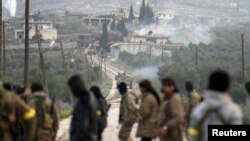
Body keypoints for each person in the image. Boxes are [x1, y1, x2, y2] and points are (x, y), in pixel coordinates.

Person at [188, 70, 242, 141]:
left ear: (209, 85)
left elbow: (192, 136)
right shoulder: (233, 111)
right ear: (227, 87)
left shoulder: (197, 111)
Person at [68, 75, 98, 141]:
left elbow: (82, 127)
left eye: (72, 88)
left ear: (76, 88)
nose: (72, 91)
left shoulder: (82, 103)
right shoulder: (91, 98)